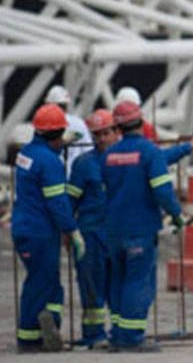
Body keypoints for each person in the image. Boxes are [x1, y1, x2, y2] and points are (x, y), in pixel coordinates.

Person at [102, 101, 182, 352]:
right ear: (142, 121)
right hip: (141, 228)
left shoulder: (108, 156)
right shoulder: (150, 152)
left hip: (113, 229)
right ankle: (132, 337)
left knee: (118, 279)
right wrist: (177, 214)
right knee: (138, 281)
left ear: (118, 127)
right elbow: (162, 190)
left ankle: (117, 333)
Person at [12, 104, 85, 353]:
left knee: (51, 282)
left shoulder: (27, 153)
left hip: (25, 227)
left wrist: (61, 143)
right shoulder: (50, 162)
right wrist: (72, 230)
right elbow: (58, 203)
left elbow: (43, 154)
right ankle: (29, 338)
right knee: (40, 282)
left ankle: (50, 325)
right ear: (56, 135)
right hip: (39, 232)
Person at [67, 109, 117, 349]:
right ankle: (94, 334)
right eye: (97, 134)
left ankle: (120, 332)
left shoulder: (125, 160)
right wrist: (68, 231)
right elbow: (70, 201)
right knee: (91, 285)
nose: (101, 139)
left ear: (117, 132)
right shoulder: (83, 164)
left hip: (118, 233)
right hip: (90, 234)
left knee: (117, 286)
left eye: (106, 133)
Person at [45, 85, 93, 176]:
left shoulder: (44, 126)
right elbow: (88, 152)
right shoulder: (79, 123)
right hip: (76, 178)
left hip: (53, 177)